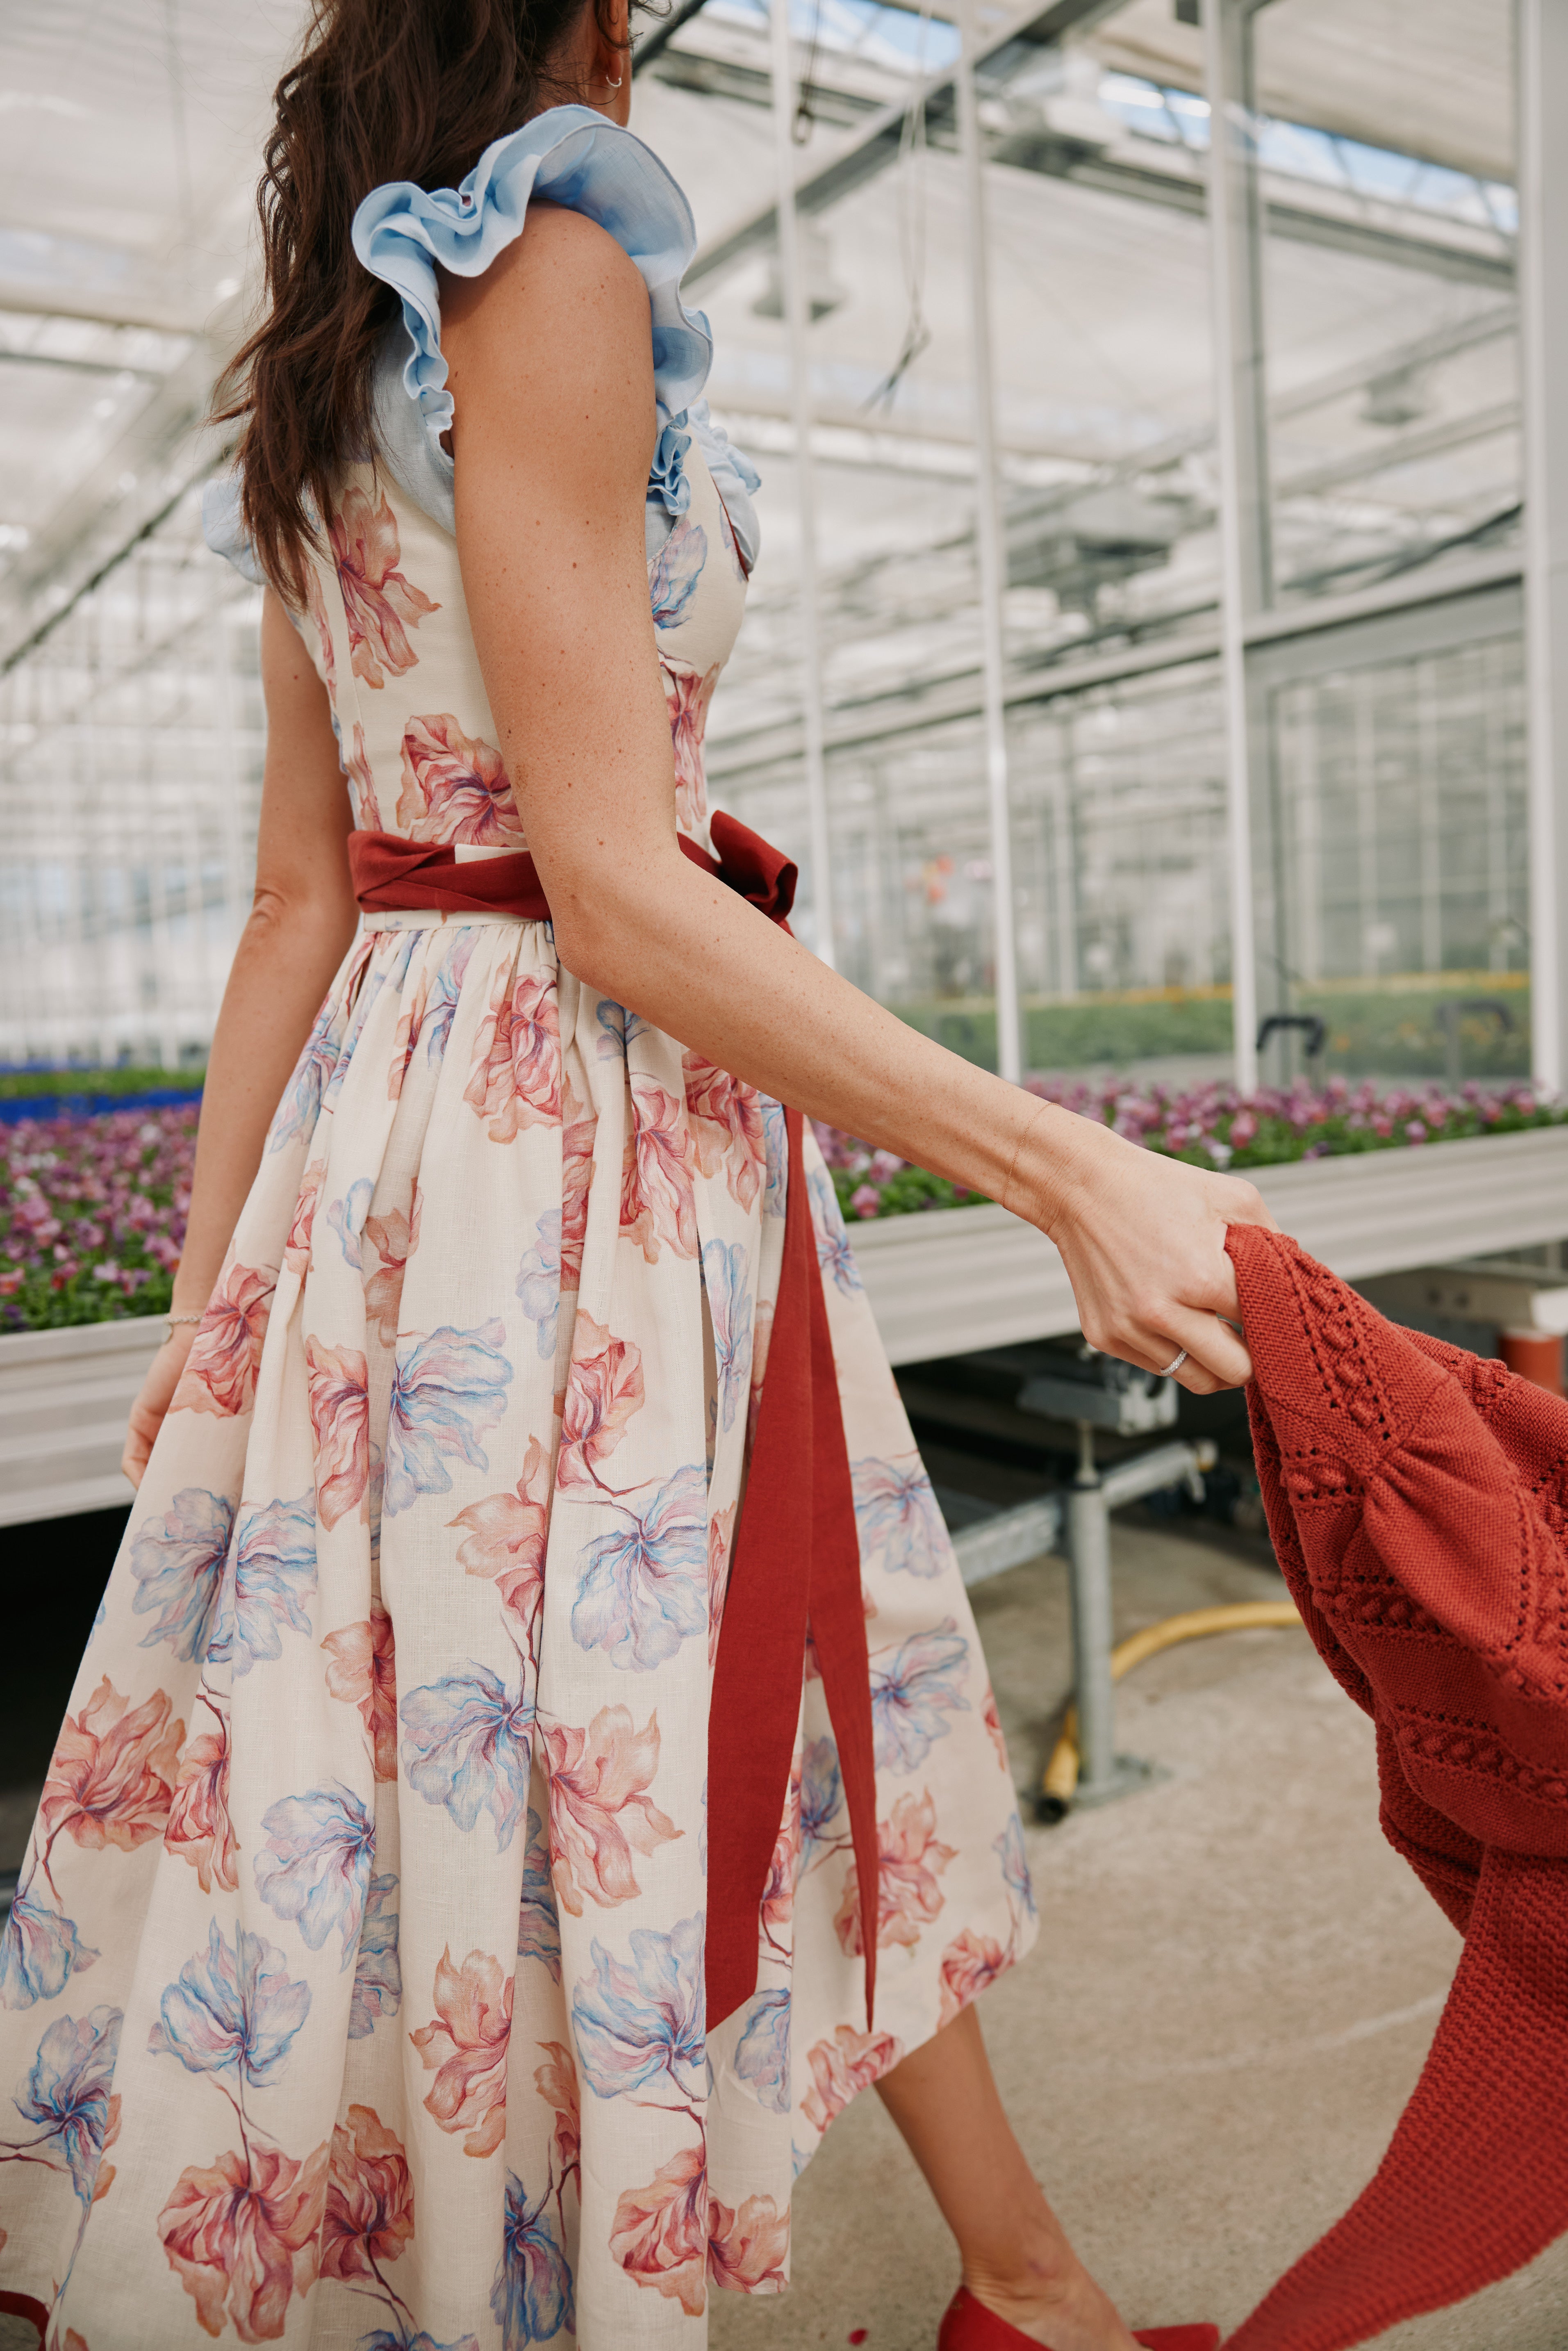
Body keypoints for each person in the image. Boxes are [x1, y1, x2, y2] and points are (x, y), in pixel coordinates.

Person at [0, 4, 1271, 2345]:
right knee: (666, 1707)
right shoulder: (555, 262)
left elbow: (304, 894)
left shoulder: (320, 356)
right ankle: (965, 2279)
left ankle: (1017, 2267)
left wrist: (216, 1300)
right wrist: (1056, 1162)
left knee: (475, 1725)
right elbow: (605, 876)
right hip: (580, 1122)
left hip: (395, 1133)